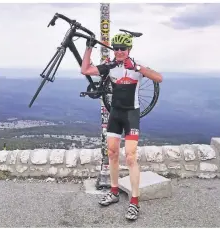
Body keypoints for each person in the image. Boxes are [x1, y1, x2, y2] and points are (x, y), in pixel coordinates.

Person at [81, 33, 163, 220]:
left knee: (131, 156)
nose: (119, 51)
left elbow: (158, 78)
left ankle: (134, 201)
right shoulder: (111, 65)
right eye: (116, 48)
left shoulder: (136, 64)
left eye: (122, 49)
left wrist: (138, 67)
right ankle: (114, 191)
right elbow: (85, 70)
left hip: (131, 114)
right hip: (115, 114)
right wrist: (88, 47)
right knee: (112, 153)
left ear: (129, 50)